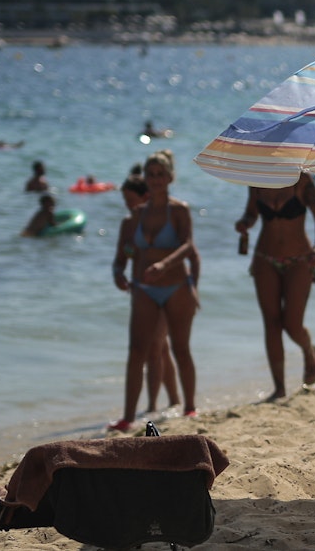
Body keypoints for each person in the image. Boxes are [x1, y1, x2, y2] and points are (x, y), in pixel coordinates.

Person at [110, 150, 199, 431]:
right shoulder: (134, 218)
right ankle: (128, 417)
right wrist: (118, 273)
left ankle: (190, 407)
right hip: (144, 289)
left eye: (161, 174)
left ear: (170, 177)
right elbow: (121, 256)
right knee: (137, 351)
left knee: (180, 348)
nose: (156, 179)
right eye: (151, 174)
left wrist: (165, 265)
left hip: (176, 287)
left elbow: (188, 246)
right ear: (145, 178)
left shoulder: (179, 210)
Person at [235, 174, 315, 402]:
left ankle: (308, 351)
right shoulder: (256, 180)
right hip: (265, 258)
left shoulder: (301, 180)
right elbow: (252, 213)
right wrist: (245, 223)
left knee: (293, 325)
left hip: (300, 260)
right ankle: (279, 388)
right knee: (271, 323)